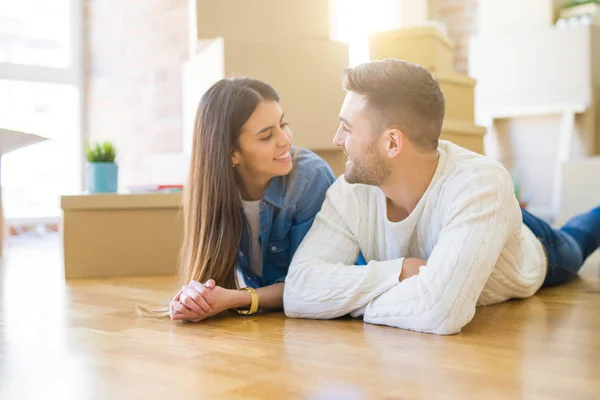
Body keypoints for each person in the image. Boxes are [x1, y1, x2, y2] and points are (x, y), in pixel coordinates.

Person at [282, 59, 600, 335]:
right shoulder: (349, 192)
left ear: (392, 143)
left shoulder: (481, 183)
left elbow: (440, 313)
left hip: (534, 247)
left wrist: (343, 303)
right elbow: (298, 291)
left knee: (579, 237)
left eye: (347, 128)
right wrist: (399, 271)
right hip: (469, 219)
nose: (337, 140)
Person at [157, 78, 335, 322]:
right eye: (266, 136)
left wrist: (237, 299)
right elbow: (211, 275)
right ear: (232, 152)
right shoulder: (214, 187)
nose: (285, 139)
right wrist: (194, 299)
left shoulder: (310, 178)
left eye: (283, 124)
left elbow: (314, 284)